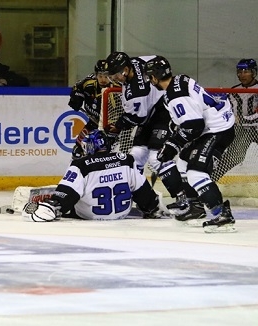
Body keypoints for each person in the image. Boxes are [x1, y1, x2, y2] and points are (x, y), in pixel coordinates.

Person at [105, 51, 205, 222]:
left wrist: (117, 126)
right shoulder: (136, 61)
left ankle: (184, 199)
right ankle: (138, 198)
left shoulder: (136, 92)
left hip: (163, 112)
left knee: (156, 157)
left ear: (126, 69)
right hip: (151, 112)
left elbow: (137, 117)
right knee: (135, 156)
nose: (114, 79)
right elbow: (157, 60)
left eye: (116, 75)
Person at [145, 56, 236, 233]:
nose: (150, 81)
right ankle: (196, 208)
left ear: (156, 76)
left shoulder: (175, 96)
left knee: (196, 173)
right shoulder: (180, 79)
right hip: (215, 124)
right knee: (183, 163)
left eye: (150, 77)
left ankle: (222, 215)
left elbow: (194, 127)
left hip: (218, 130)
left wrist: (172, 145)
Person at [22, 129, 166, 221]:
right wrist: (152, 208)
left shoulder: (81, 165)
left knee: (73, 201)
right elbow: (144, 193)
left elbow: (67, 194)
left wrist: (52, 205)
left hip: (89, 216)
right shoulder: (126, 159)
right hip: (120, 215)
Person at [212, 58, 258, 182]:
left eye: (246, 71)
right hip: (243, 130)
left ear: (254, 72)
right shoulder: (233, 91)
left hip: (256, 128)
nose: (242, 74)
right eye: (240, 71)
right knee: (233, 157)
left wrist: (241, 119)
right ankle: (208, 182)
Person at [68, 59, 120, 159]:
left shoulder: (117, 89)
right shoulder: (88, 83)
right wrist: (76, 97)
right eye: (100, 76)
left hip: (110, 128)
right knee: (78, 148)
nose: (103, 79)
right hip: (93, 123)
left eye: (106, 76)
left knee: (103, 152)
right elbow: (76, 87)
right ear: (96, 75)